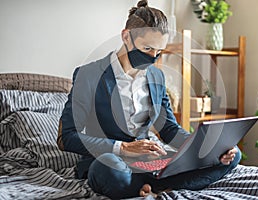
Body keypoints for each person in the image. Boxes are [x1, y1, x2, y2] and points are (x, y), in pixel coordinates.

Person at [57, 0, 241, 199]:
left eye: (159, 51)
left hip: (150, 164)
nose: (153, 58)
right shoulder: (89, 75)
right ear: (126, 36)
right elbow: (66, 137)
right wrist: (124, 148)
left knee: (232, 155)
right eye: (147, 49)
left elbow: (169, 129)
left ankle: (154, 189)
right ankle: (157, 187)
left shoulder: (156, 77)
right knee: (109, 168)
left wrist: (202, 146)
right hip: (112, 162)